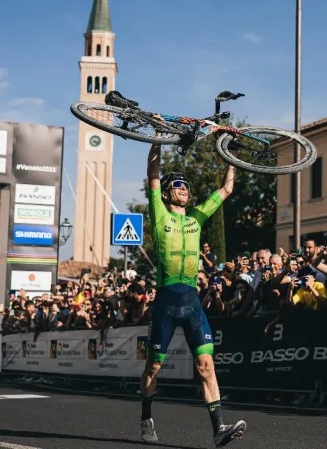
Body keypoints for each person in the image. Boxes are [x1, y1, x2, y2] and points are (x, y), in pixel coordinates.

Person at [141, 142, 246, 447]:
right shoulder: (159, 213)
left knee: (207, 365)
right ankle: (147, 416)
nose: (183, 188)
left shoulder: (197, 218)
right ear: (167, 193)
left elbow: (226, 189)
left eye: (186, 185)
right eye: (177, 185)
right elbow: (153, 174)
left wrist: (231, 155)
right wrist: (158, 139)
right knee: (154, 366)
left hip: (191, 303)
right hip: (166, 302)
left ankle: (218, 429)